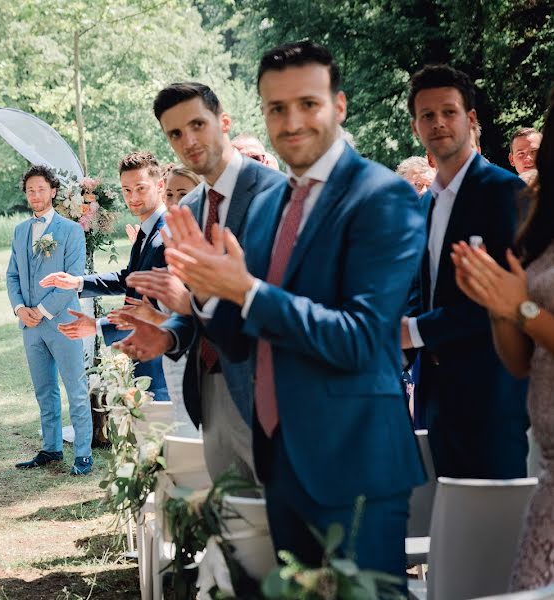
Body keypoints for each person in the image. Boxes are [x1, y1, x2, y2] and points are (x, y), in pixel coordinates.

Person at [161, 41, 425, 579]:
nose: (291, 120)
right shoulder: (268, 204)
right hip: (279, 461)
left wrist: (248, 290)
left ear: (340, 106)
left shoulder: (382, 196)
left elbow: (358, 338)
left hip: (355, 464)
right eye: (276, 108)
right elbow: (238, 341)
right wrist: (210, 291)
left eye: (308, 103)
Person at [116, 82, 285, 483]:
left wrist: (190, 304)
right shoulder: (189, 209)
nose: (188, 140)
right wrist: (169, 335)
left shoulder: (278, 194)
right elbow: (193, 306)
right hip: (207, 391)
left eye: (197, 124)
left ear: (223, 121)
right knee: (230, 523)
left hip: (271, 392)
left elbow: (280, 300)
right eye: (175, 133)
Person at [404, 64, 529, 478]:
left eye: (449, 112)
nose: (438, 123)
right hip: (436, 397)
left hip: (493, 393)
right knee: (454, 529)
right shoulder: (425, 204)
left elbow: (505, 301)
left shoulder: (504, 193)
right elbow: (424, 291)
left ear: (470, 119)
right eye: (427, 115)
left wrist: (414, 331)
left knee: (498, 532)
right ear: (415, 127)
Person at [452, 89, 554, 591]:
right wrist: (499, 311)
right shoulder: (539, 216)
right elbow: (520, 363)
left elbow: (531, 314)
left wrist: (524, 310)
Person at [41, 151, 170, 401]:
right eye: (126, 190)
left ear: (160, 185)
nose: (132, 197)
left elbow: (156, 310)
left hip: (160, 360)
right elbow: (128, 279)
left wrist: (97, 326)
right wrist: (77, 282)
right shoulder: (148, 232)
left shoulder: (165, 237)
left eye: (140, 188)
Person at [5, 165, 93, 475]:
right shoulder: (20, 231)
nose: (36, 194)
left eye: (41, 189)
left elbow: (72, 278)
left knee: (76, 388)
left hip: (63, 321)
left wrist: (40, 312)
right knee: (44, 390)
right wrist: (19, 309)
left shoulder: (71, 231)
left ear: (53, 191)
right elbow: (12, 274)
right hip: (29, 325)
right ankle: (52, 449)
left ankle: (83, 455)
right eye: (30, 190)